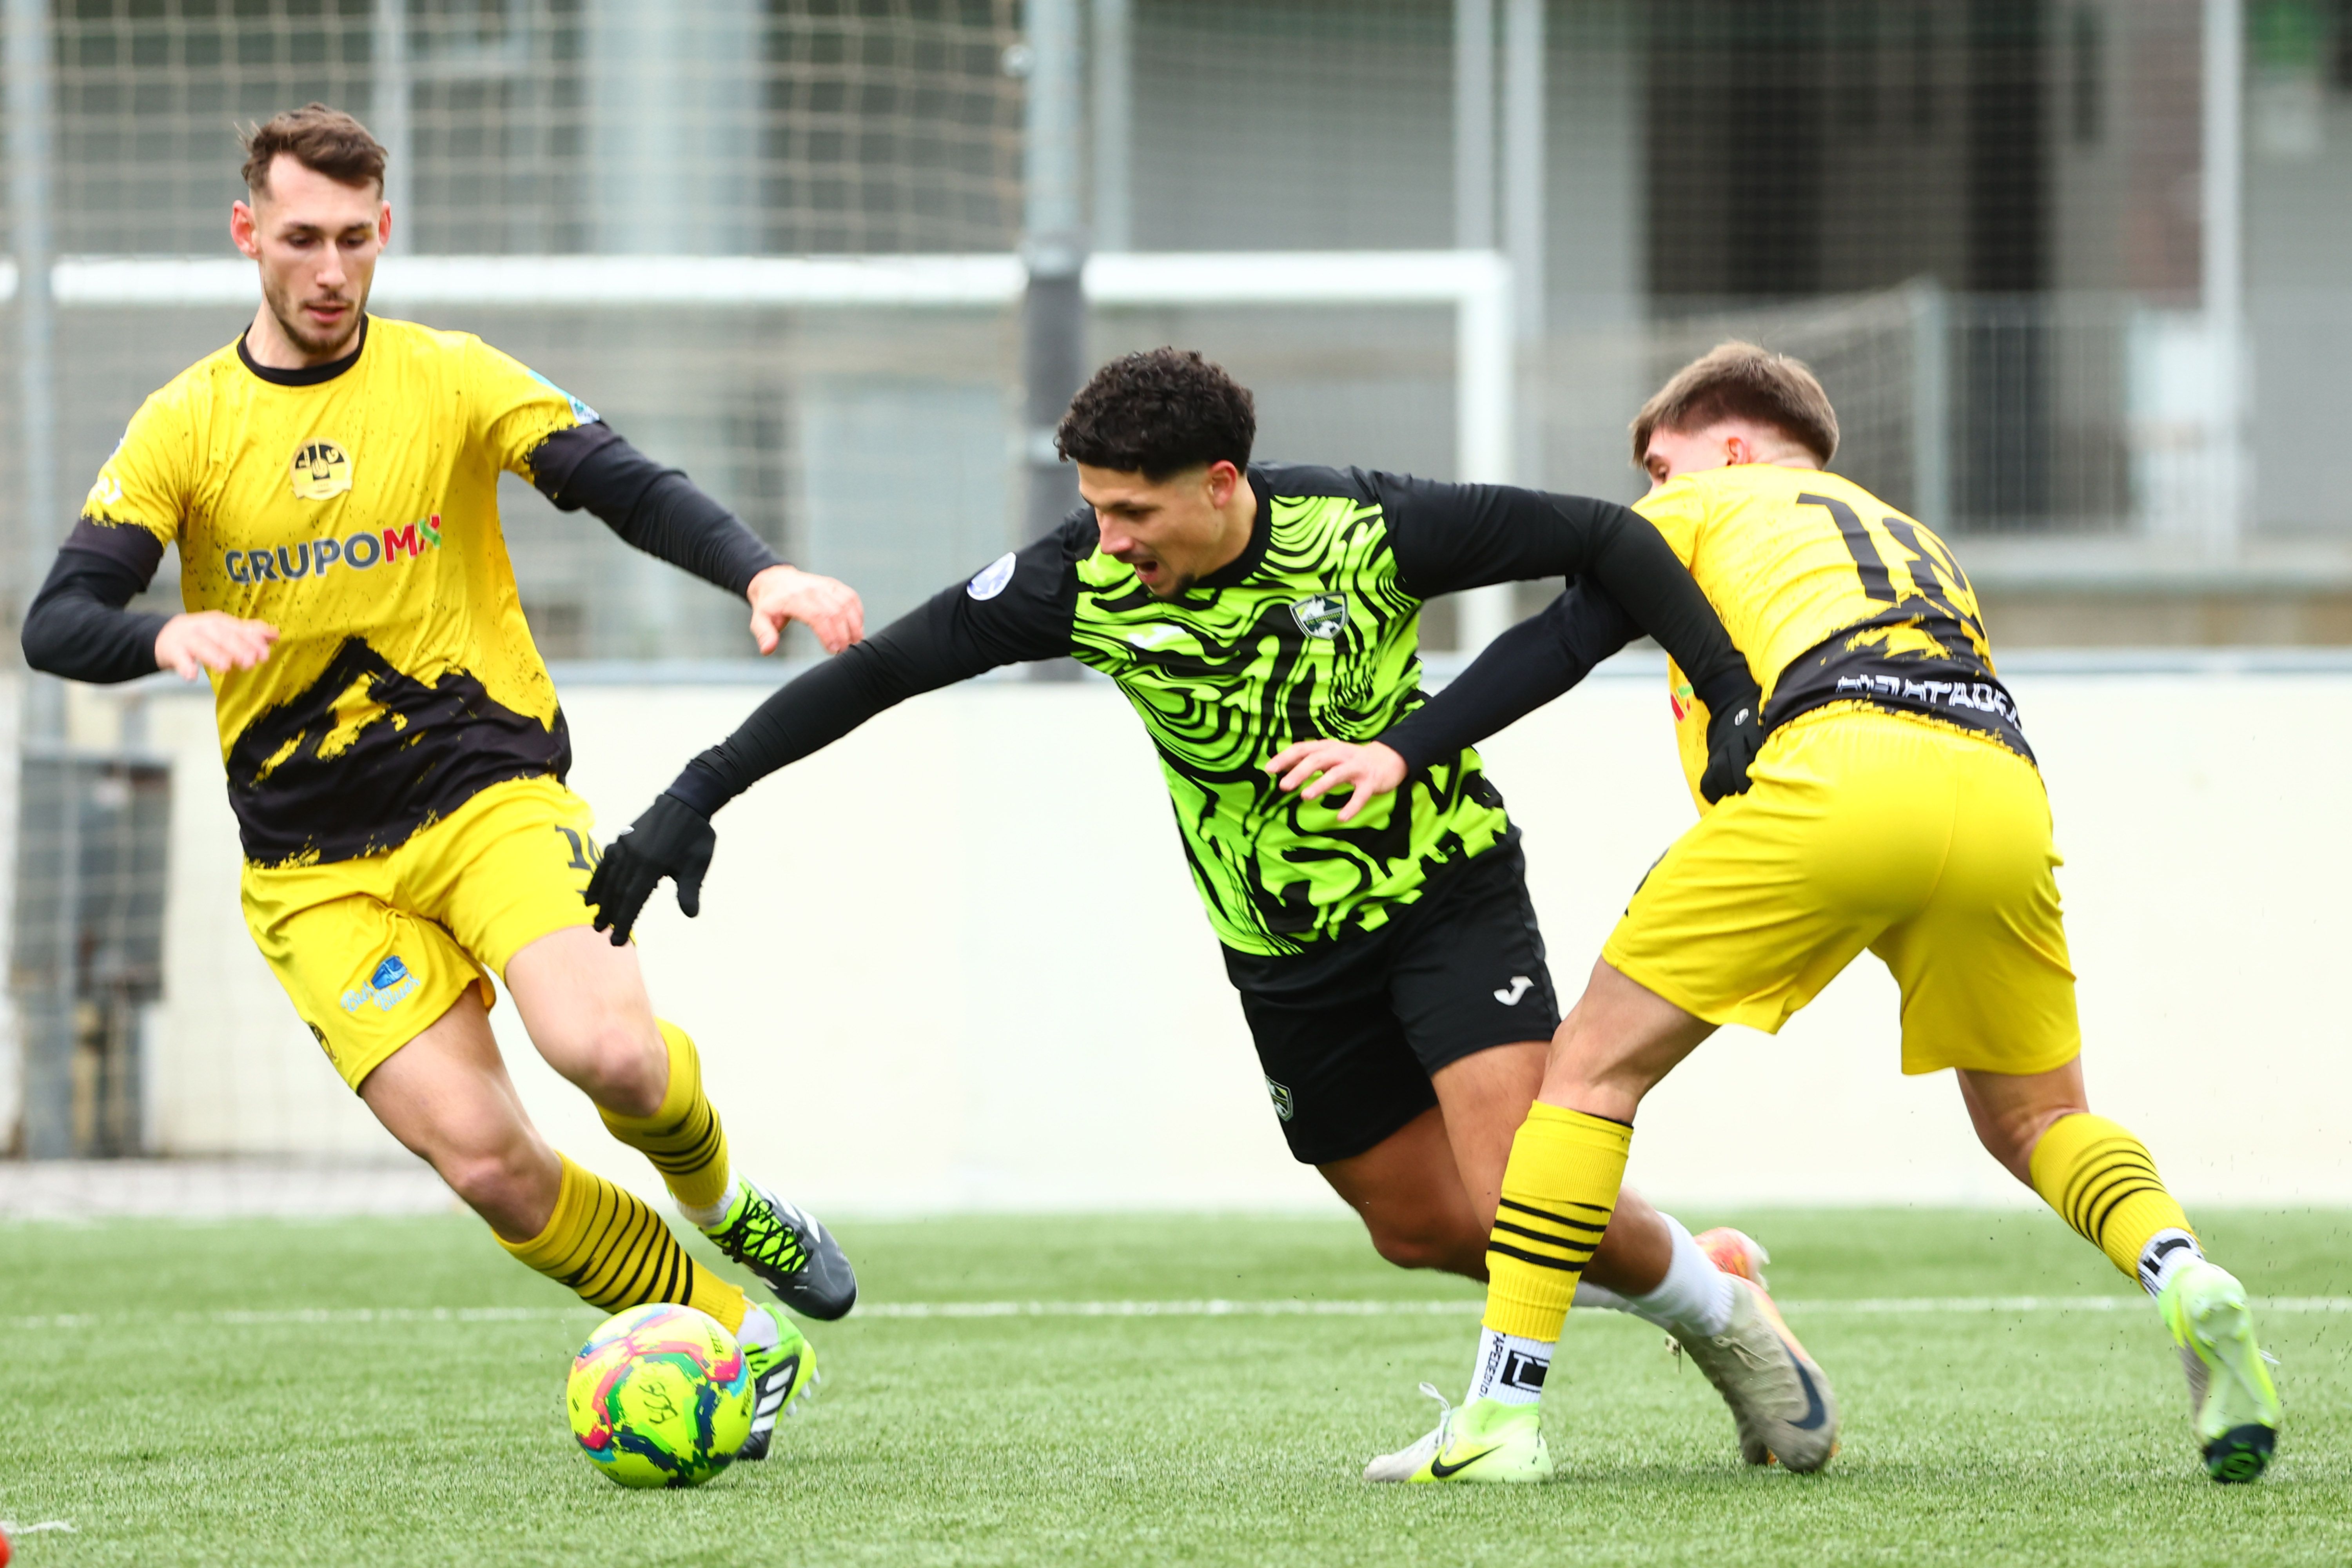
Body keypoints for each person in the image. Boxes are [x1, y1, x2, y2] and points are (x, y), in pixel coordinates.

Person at [581, 345, 1841, 1475]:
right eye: (1092, 507)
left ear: (1223, 483)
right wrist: (698, 795)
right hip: (1282, 948)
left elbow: (1617, 542)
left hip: (1445, 890)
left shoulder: (1366, 526)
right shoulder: (1074, 581)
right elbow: (881, 671)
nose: (1109, 534)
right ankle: (1702, 1278)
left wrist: (1732, 693)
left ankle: (1635, 1369)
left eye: (1133, 509)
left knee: (1517, 1175)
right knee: (1418, 1227)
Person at [19, 104, 860, 1461]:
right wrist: (157, 633)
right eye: (301, 239)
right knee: (486, 1163)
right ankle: (736, 1334)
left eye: (356, 239)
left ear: (385, 232)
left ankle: (728, 1200)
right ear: (249, 235)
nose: (331, 270)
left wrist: (759, 568)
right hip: (315, 871)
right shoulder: (186, 426)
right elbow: (57, 620)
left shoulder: (450, 377)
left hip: (486, 794)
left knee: (613, 1055)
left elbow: (619, 481)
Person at [1283, 341, 2281, 1485]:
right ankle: (2181, 1270)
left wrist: (1404, 749)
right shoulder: (1910, 534)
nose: (1654, 492)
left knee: (1584, 1080)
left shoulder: (1707, 503)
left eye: (1664, 463)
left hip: (1834, 768)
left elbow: (1560, 641)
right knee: (2035, 1120)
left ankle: (1502, 1422)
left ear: (1734, 444)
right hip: (1998, 782)